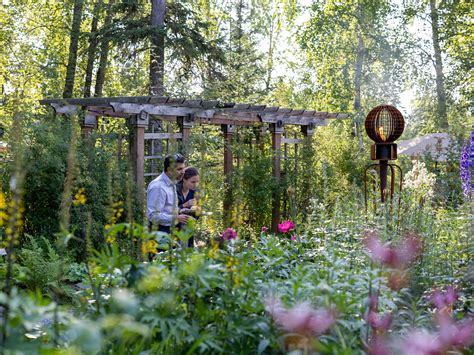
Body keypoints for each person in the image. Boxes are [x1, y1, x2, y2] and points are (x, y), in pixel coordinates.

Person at [146, 153, 189, 235]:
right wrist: (175, 218)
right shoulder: (158, 187)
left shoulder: (171, 182)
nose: (183, 172)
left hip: (169, 230)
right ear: (169, 169)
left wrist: (179, 211)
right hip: (158, 232)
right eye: (179, 169)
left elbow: (166, 209)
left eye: (183, 168)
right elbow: (152, 215)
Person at [176, 167, 200, 247]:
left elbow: (196, 214)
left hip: (188, 228)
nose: (196, 184)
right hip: (174, 228)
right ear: (184, 179)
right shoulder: (174, 190)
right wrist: (184, 205)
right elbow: (167, 210)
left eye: (197, 181)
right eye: (193, 182)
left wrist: (197, 212)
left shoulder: (195, 192)